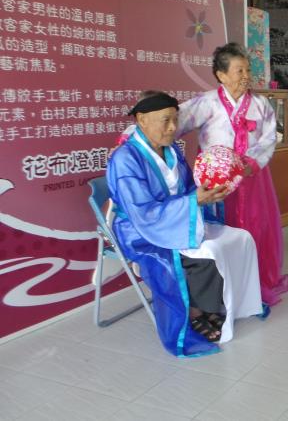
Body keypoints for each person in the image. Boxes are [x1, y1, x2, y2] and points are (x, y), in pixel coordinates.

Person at [108, 91, 265, 357]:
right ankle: (195, 312)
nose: (173, 128)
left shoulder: (171, 151)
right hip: (140, 229)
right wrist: (192, 203)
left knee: (236, 238)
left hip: (175, 216)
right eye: (166, 120)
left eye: (175, 120)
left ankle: (221, 306)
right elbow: (142, 212)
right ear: (141, 120)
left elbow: (189, 187)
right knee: (192, 255)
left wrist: (208, 193)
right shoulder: (126, 159)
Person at [178, 43, 288, 306]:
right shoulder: (206, 102)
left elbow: (268, 138)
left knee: (257, 230)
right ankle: (223, 288)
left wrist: (251, 162)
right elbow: (175, 123)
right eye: (239, 70)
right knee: (221, 233)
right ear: (221, 74)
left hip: (253, 178)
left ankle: (255, 282)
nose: (245, 76)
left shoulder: (261, 104)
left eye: (247, 70)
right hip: (217, 183)